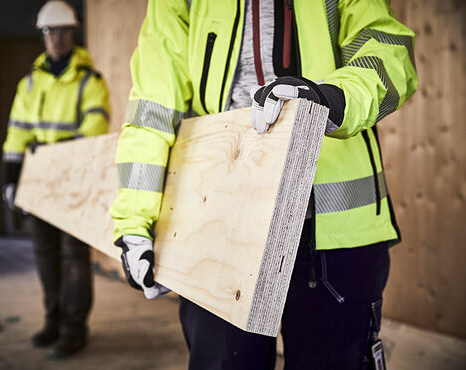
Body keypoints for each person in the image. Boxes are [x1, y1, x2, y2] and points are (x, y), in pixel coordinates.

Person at [111, 0, 417, 369]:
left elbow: (387, 51)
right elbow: (152, 111)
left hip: (334, 237)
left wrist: (331, 98)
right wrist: (134, 224)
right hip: (219, 231)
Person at [2, 0, 109, 358]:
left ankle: (74, 329)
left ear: (72, 33)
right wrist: (10, 180)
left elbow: (94, 130)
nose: (55, 38)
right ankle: (54, 320)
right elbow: (16, 135)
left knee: (74, 255)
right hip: (37, 183)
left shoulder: (91, 82)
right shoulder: (29, 84)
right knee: (45, 254)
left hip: (74, 182)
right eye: (49, 31)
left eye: (61, 30)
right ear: (43, 35)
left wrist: (53, 152)